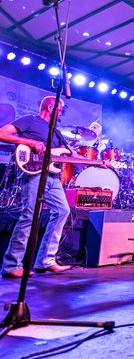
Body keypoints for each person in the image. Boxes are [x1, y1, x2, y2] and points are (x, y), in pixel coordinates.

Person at [0, 96, 72, 278]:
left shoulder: (56, 132)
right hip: (33, 172)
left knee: (63, 210)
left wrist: (97, 162)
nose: (60, 114)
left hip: (53, 177)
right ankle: (11, 265)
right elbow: (2, 133)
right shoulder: (31, 120)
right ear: (50, 107)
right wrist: (30, 142)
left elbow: (69, 153)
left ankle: (46, 261)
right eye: (60, 110)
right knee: (30, 215)